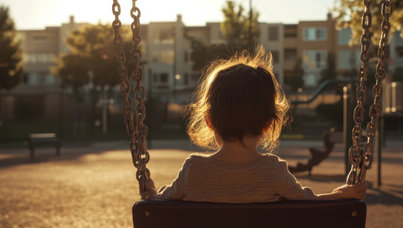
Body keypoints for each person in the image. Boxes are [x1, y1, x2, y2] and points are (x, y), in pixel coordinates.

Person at [143, 47, 366, 202]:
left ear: (209, 121)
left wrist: (150, 194)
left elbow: (159, 204)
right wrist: (338, 196)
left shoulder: (193, 171)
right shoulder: (274, 172)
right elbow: (311, 203)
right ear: (268, 124)